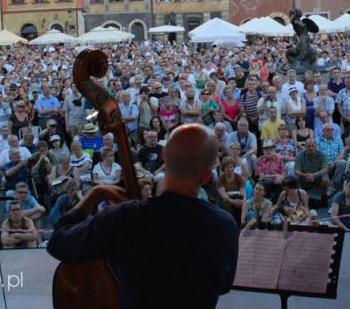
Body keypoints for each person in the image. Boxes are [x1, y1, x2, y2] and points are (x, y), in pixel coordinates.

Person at [47, 123, 238, 309]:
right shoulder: (224, 225)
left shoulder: (122, 218)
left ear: (164, 156)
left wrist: (94, 194)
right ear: (206, 177)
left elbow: (58, 242)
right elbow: (223, 286)